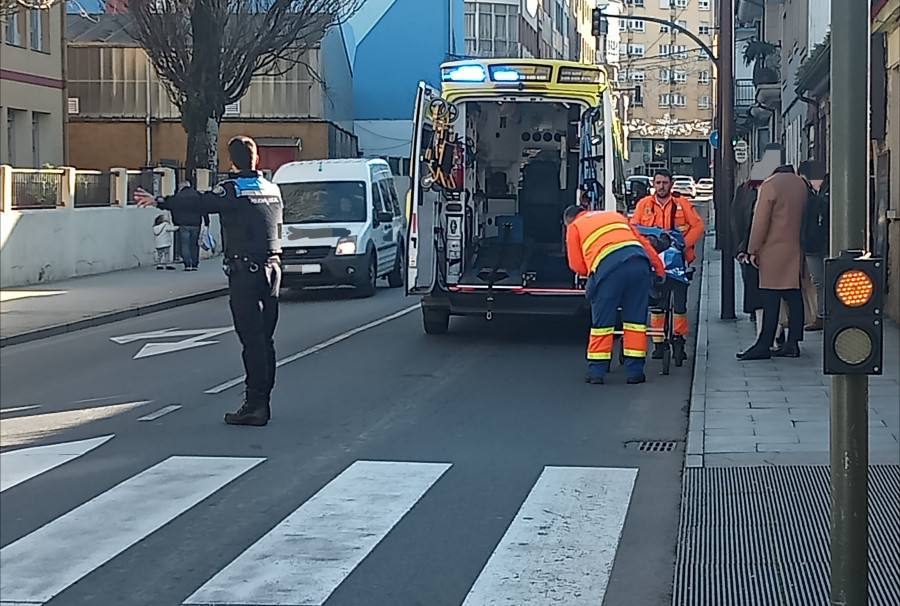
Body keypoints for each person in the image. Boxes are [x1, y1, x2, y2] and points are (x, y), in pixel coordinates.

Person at [134, 136, 284, 425]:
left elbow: (199, 201)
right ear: (257, 160)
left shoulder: (233, 189)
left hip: (246, 271)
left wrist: (161, 201)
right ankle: (262, 400)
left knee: (251, 341)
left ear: (230, 162)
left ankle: (255, 406)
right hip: (274, 268)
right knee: (266, 341)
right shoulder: (272, 188)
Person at [564, 205, 665, 385]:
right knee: (635, 322)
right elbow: (644, 243)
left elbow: (576, 264)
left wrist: (593, 274)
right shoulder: (614, 216)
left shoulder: (575, 226)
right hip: (639, 264)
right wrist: (658, 269)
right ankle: (634, 373)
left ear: (568, 220)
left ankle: (597, 372)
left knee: (602, 323)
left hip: (609, 271)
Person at [629, 168, 705, 363]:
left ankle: (679, 340)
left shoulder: (682, 204)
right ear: (653, 184)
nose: (661, 186)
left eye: (665, 183)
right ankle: (658, 342)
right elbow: (635, 228)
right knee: (656, 304)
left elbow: (697, 226)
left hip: (678, 260)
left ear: (671, 184)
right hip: (653, 260)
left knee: (680, 305)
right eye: (658, 183)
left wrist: (683, 245)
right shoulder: (643, 205)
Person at [738, 164, 809, 360]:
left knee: (769, 298)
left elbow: (760, 221)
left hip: (772, 250)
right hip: (796, 250)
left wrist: (752, 249)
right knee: (794, 297)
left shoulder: (770, 185)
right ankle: (793, 342)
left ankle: (764, 343)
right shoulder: (801, 185)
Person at [797, 160, 829, 331]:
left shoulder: (829, 190)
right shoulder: (809, 192)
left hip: (825, 243)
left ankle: (825, 315)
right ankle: (822, 315)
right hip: (811, 244)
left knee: (828, 280)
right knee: (818, 281)